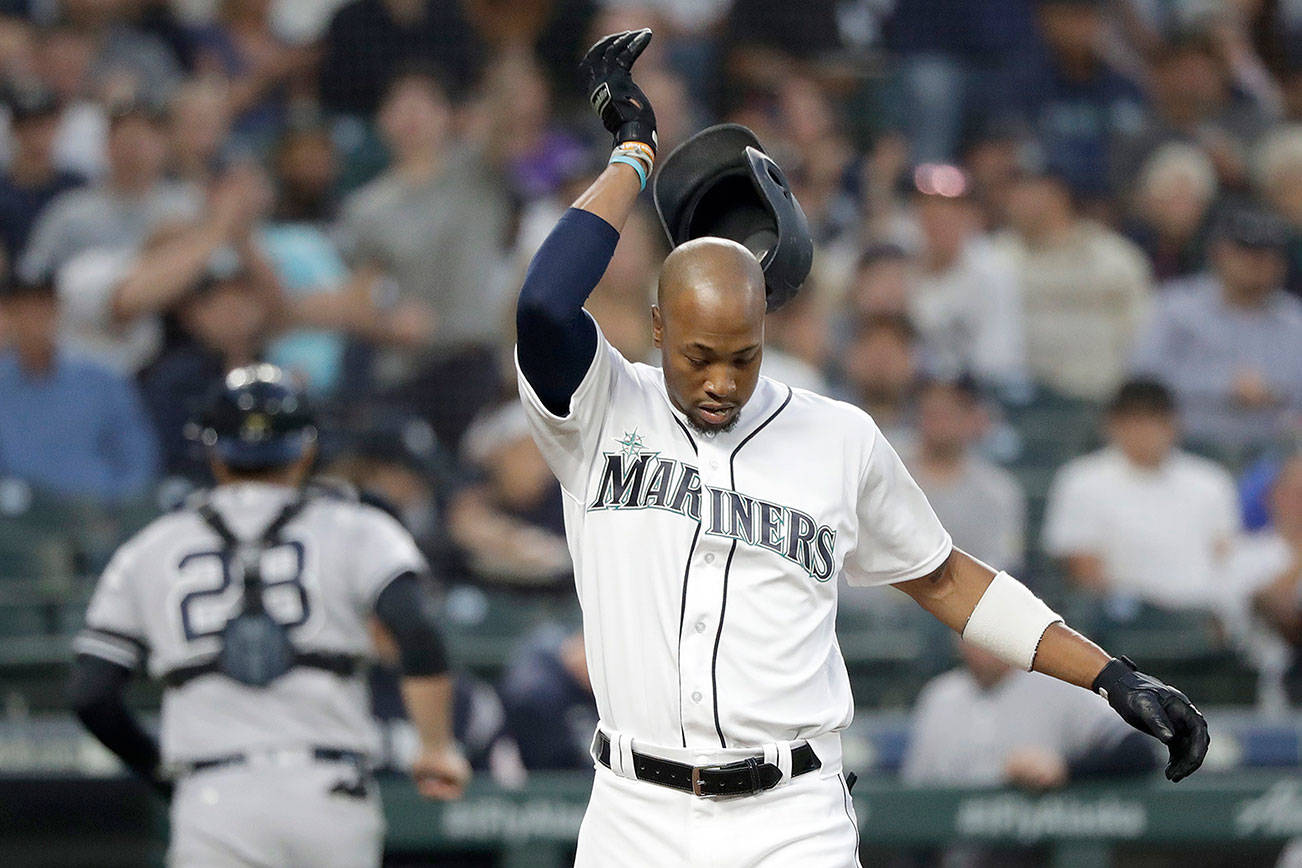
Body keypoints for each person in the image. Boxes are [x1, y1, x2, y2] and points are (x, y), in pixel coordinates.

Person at [514, 29, 1208, 867]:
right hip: (635, 814)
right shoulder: (600, 405)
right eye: (698, 358)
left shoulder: (837, 437)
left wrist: (1110, 676)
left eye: (743, 357)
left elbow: (947, 578)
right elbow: (546, 306)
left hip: (790, 817)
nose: (721, 382)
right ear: (659, 330)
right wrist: (631, 154)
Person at [69, 364, 470, 868]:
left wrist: (161, 772)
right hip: (328, 795)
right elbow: (416, 630)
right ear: (305, 449)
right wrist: (435, 745)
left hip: (213, 797)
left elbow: (91, 694)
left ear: (212, 451)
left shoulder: (150, 548)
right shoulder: (357, 526)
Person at [1043, 380, 1241, 612]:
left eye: (1155, 420)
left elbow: (1225, 557)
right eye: (1135, 421)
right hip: (1124, 618)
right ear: (1112, 425)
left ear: (1173, 424)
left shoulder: (1211, 481)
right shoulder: (1081, 480)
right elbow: (1084, 570)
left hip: (1201, 612)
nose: (1146, 431)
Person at [1132, 205, 1302, 457]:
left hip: (1272, 457)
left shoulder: (1294, 319)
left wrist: (1274, 394)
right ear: (1220, 253)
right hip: (1187, 449)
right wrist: (1223, 386)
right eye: (1247, 252)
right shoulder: (1178, 307)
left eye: (1268, 255)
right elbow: (1141, 379)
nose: (1258, 263)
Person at [995, 167, 1153, 402]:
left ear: (1058, 194)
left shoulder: (1114, 257)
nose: (1015, 201)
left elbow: (1142, 332)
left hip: (1096, 399)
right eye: (1012, 191)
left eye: (1027, 189)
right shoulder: (994, 257)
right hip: (1015, 399)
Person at [0, 276, 157, 502]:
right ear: (8, 314)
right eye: (22, 309)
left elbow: (138, 458)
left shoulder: (102, 378)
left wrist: (121, 506)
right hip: (24, 519)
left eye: (41, 306)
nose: (32, 318)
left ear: (56, 309)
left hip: (101, 513)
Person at [905, 377, 1026, 573]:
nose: (940, 423)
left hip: (968, 597)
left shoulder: (999, 490)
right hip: (885, 594)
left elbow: (1001, 562)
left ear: (971, 419)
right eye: (932, 414)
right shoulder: (887, 477)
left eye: (950, 414)